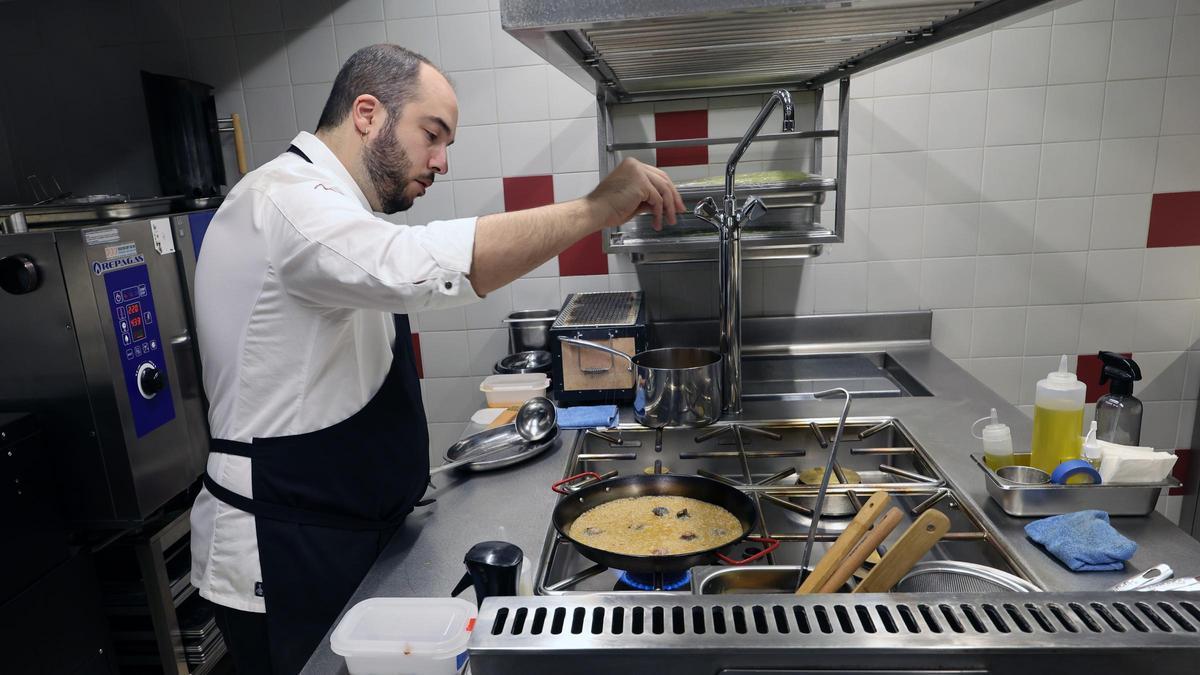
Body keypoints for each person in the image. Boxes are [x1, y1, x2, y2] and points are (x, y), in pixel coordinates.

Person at [188, 44, 683, 674]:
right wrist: (594, 209)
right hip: (285, 550)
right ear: (366, 113)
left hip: (343, 530)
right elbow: (414, 268)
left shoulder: (336, 211)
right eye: (433, 134)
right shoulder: (286, 202)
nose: (442, 161)